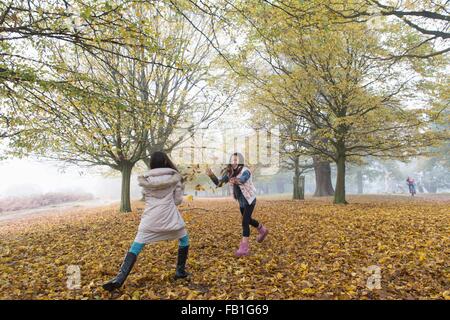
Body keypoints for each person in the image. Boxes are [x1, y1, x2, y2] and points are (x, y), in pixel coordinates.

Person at [102, 151, 189, 292]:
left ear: (152, 163)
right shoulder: (175, 178)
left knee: (136, 246)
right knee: (184, 240)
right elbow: (177, 201)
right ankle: (180, 272)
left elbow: (146, 198)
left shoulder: (146, 180)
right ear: (166, 162)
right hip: (171, 219)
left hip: (150, 220)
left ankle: (119, 279)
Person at [205, 152, 269, 257]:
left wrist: (237, 180)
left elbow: (243, 179)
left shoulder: (245, 171)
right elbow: (219, 183)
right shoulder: (229, 173)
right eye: (232, 160)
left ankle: (244, 248)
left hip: (250, 200)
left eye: (236, 160)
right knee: (248, 220)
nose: (234, 162)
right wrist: (211, 175)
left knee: (244, 222)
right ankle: (263, 230)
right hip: (242, 202)